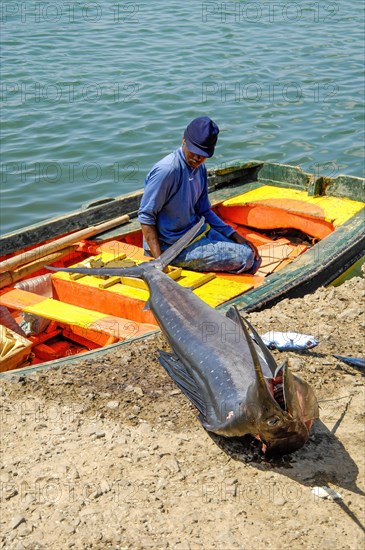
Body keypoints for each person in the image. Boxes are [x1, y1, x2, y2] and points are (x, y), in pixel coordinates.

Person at [137, 116, 261, 273]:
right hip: (171, 247)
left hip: (195, 233)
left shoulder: (200, 169)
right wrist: (160, 262)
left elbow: (203, 211)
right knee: (246, 257)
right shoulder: (167, 171)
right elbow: (146, 217)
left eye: (203, 154)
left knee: (253, 257)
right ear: (184, 140)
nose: (197, 158)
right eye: (194, 151)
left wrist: (234, 234)